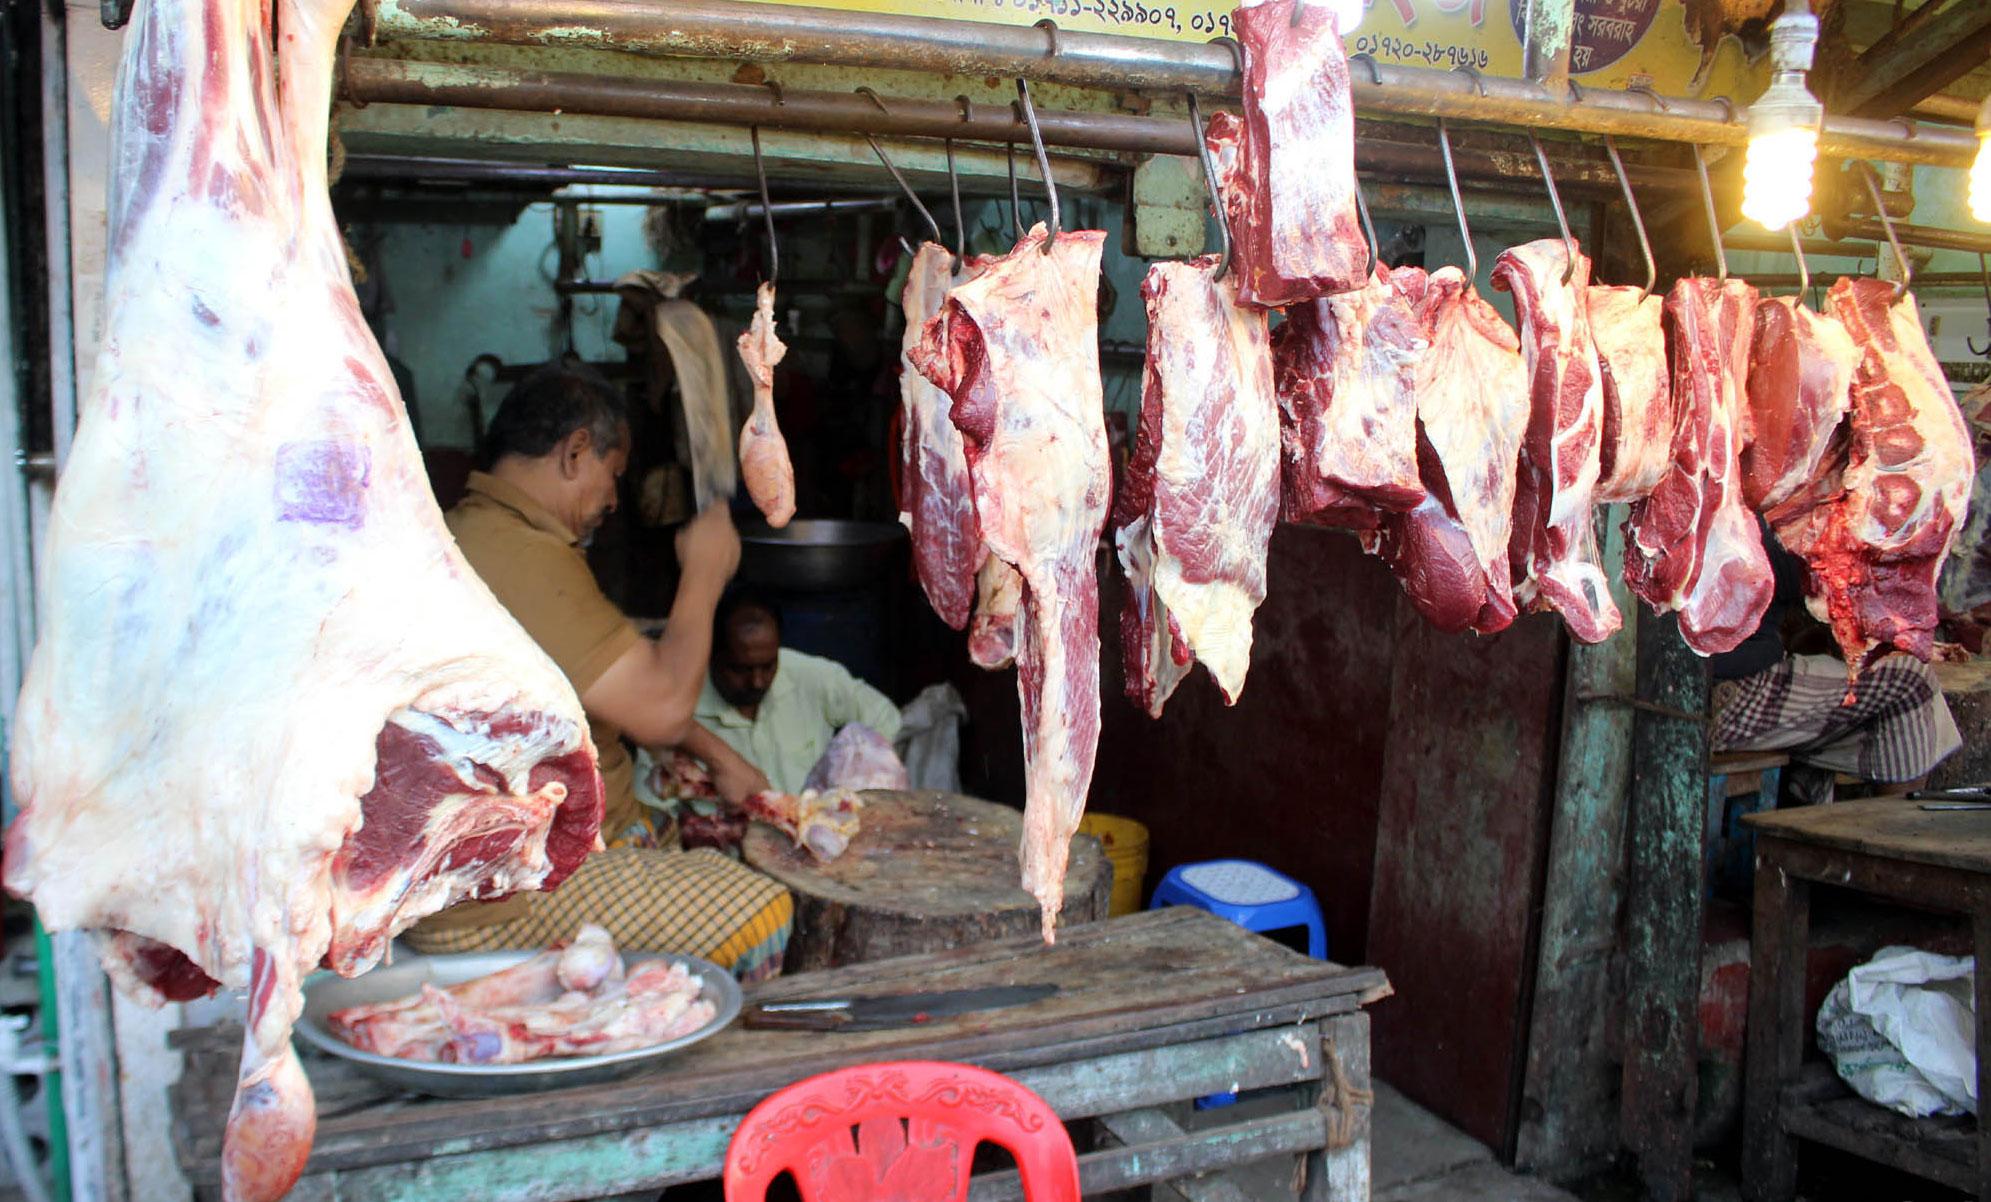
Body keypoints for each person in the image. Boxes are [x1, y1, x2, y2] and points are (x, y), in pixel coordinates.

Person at [404, 363, 791, 982]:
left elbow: (609, 676)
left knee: (709, 834)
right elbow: (660, 708)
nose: (615, 500)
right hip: (504, 895)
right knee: (765, 910)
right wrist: (704, 573)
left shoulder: (487, 534)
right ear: (575, 452)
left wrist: (715, 754)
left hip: (547, 848)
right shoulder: (516, 556)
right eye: (612, 476)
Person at [1711, 526, 1961, 802]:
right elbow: (1824, 582)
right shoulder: (1749, 517)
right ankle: (1895, 837)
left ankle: (1811, 811)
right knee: (1913, 682)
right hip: (1719, 698)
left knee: (1868, 721)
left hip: (1705, 687)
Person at [695, 589, 903, 794]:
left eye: (768, 666)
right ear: (711, 654)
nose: (757, 682)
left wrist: (854, 777)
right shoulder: (682, 707)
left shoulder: (814, 677)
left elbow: (887, 720)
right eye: (741, 669)